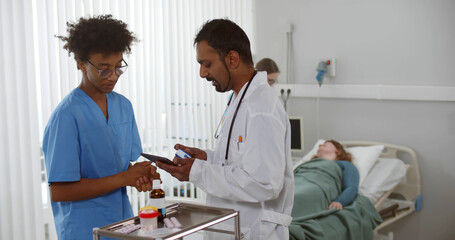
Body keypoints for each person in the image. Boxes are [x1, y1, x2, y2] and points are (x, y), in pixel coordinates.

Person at [156, 19, 294, 239]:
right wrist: (207, 158)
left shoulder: (261, 109)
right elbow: (238, 164)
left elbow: (264, 183)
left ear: (232, 58)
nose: (202, 73)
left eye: (207, 64)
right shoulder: (241, 99)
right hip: (232, 226)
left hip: (255, 231)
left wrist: (196, 171)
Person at [43, 15, 159, 239]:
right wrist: (124, 178)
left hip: (123, 225)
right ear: (81, 64)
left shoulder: (123, 106)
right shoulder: (66, 117)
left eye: (118, 67)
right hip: (84, 230)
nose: (113, 76)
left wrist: (139, 175)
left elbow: (121, 165)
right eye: (104, 69)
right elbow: (59, 190)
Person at [312, 140, 359, 210]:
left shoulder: (345, 164)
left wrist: (339, 201)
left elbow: (352, 187)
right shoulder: (309, 164)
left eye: (325, 144)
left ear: (337, 150)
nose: (320, 145)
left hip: (315, 189)